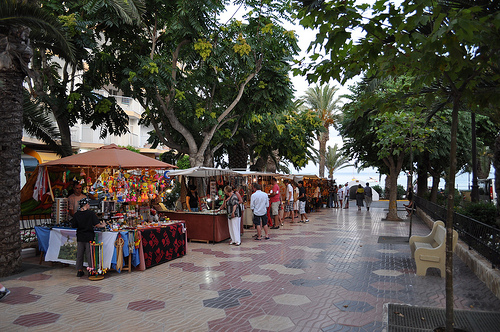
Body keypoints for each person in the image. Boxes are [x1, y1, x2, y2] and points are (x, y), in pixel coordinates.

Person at [71, 197, 106, 277]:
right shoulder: (90, 214)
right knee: (89, 254)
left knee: (79, 254)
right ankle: (91, 270)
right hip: (89, 236)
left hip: (80, 236)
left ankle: (79, 271)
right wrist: (103, 225)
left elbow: (74, 225)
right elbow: (97, 224)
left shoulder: (76, 214)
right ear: (86, 205)